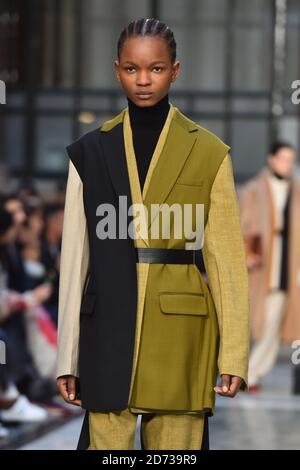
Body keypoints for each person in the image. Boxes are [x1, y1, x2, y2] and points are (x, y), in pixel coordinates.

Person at [56, 18, 249, 450]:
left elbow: (225, 261)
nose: (143, 80)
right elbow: (75, 263)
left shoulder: (209, 152)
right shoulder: (88, 152)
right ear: (117, 69)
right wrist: (66, 355)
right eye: (132, 68)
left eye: (156, 69)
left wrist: (234, 354)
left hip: (182, 331)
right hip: (106, 327)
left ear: (175, 71)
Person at [239, 141, 300, 392]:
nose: (287, 164)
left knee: (276, 322)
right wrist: (247, 254)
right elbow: (243, 224)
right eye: (283, 159)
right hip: (263, 266)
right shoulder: (254, 189)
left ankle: (252, 375)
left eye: (291, 159)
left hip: (288, 263)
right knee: (261, 323)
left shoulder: (296, 190)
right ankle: (247, 374)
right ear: (271, 159)